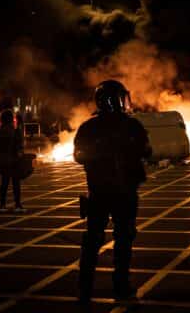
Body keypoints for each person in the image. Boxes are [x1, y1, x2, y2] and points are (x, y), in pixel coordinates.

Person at [73, 80, 151, 303]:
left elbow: (78, 156)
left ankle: (85, 287)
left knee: (92, 240)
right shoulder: (131, 125)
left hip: (98, 191)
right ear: (115, 99)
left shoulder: (88, 127)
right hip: (124, 192)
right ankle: (121, 286)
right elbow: (147, 150)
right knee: (123, 240)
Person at [0, 109, 26, 213]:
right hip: (14, 159)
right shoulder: (16, 131)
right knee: (16, 183)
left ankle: (2, 205)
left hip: (3, 159)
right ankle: (17, 205)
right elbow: (20, 146)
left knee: (4, 183)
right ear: (12, 119)